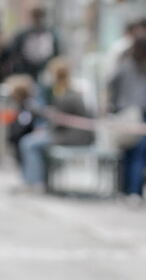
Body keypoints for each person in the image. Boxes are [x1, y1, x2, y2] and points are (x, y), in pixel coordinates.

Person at [17, 57, 93, 192]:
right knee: (32, 142)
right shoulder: (64, 91)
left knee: (28, 143)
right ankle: (36, 180)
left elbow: (60, 120)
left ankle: (34, 182)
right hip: (67, 133)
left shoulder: (67, 94)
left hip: (72, 136)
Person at [107, 36, 146, 200]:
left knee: (124, 155)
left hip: (124, 114)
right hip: (142, 116)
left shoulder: (124, 66)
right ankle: (135, 191)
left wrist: (113, 104)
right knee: (139, 156)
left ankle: (123, 189)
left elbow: (111, 83)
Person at [8, 5, 60, 81]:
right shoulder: (22, 35)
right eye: (35, 16)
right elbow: (14, 54)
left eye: (39, 16)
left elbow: (55, 54)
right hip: (25, 70)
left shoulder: (50, 34)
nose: (37, 19)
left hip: (46, 71)